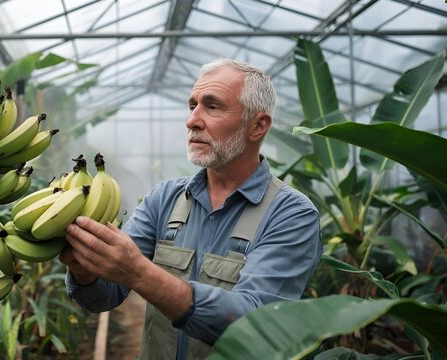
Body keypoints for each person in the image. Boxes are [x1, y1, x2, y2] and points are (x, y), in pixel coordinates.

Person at [59, 58, 323, 359]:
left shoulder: (291, 214)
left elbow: (257, 325)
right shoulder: (165, 198)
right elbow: (106, 295)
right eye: (192, 105)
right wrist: (83, 271)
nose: (192, 120)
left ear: (258, 125)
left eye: (212, 106)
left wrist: (140, 271)